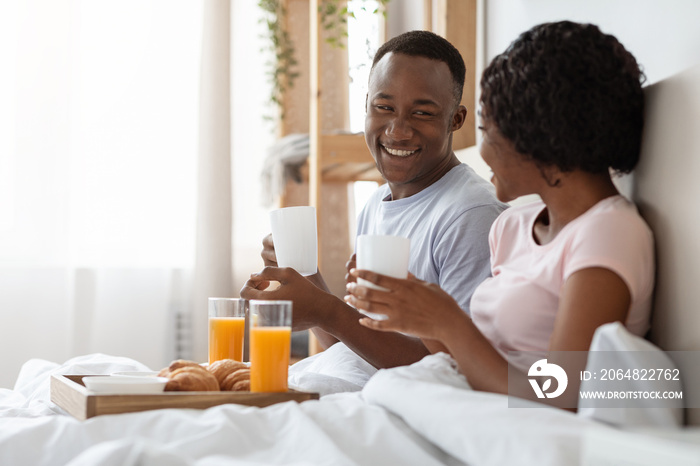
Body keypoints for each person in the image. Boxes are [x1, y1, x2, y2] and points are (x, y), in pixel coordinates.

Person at [345, 21, 654, 401]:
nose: (484, 151)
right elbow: (470, 366)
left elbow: (560, 396)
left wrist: (447, 321)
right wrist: (417, 313)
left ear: (543, 135)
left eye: (489, 130)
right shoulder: (512, 226)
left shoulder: (609, 232)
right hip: (460, 405)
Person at [241, 30, 506, 370]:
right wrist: (308, 281)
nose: (398, 130)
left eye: (422, 113)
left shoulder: (472, 215)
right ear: (366, 106)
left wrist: (326, 310)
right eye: (383, 107)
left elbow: (459, 369)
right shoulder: (377, 204)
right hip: (358, 392)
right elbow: (359, 347)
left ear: (456, 119)